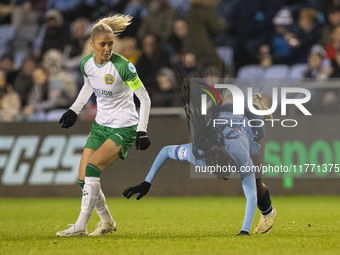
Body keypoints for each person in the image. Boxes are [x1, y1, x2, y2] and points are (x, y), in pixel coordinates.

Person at [124, 94, 276, 235]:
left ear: (231, 160)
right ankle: (246, 103)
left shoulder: (240, 154)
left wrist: (244, 231)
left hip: (250, 121)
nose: (226, 175)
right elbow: (166, 151)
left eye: (227, 171)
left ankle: (268, 213)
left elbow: (250, 195)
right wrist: (146, 182)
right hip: (220, 114)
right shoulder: (198, 153)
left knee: (256, 184)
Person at [56, 14, 151, 237]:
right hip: (101, 126)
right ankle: (107, 221)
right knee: (83, 180)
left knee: (92, 169)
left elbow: (144, 98)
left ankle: (80, 226)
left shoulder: (124, 66)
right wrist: (74, 109)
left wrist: (142, 129)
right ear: (92, 44)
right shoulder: (85, 64)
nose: (107, 48)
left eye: (110, 44)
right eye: (103, 44)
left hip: (124, 127)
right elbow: (89, 86)